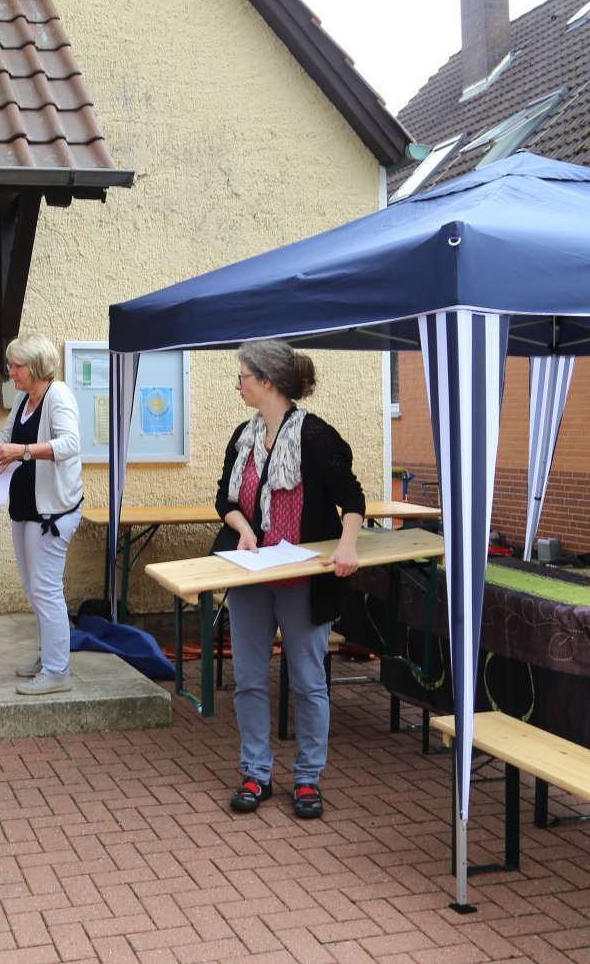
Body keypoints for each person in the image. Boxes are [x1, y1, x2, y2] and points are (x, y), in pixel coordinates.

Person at [214, 339, 363, 821]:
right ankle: (256, 772)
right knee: (250, 680)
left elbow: (353, 499)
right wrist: (242, 530)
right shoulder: (244, 436)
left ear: (267, 381)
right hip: (252, 575)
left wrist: (347, 545)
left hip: (305, 578)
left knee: (307, 680)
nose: (237, 385)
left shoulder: (316, 437)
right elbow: (226, 499)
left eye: (242, 376)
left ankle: (307, 779)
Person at [0, 333, 82, 696]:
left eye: (16, 365)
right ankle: (48, 657)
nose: (10, 371)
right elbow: (5, 437)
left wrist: (22, 451)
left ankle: (58, 671)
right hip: (26, 508)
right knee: (34, 588)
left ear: (37, 366)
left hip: (53, 513)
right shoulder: (25, 398)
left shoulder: (58, 396)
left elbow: (71, 444)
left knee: (46, 589)